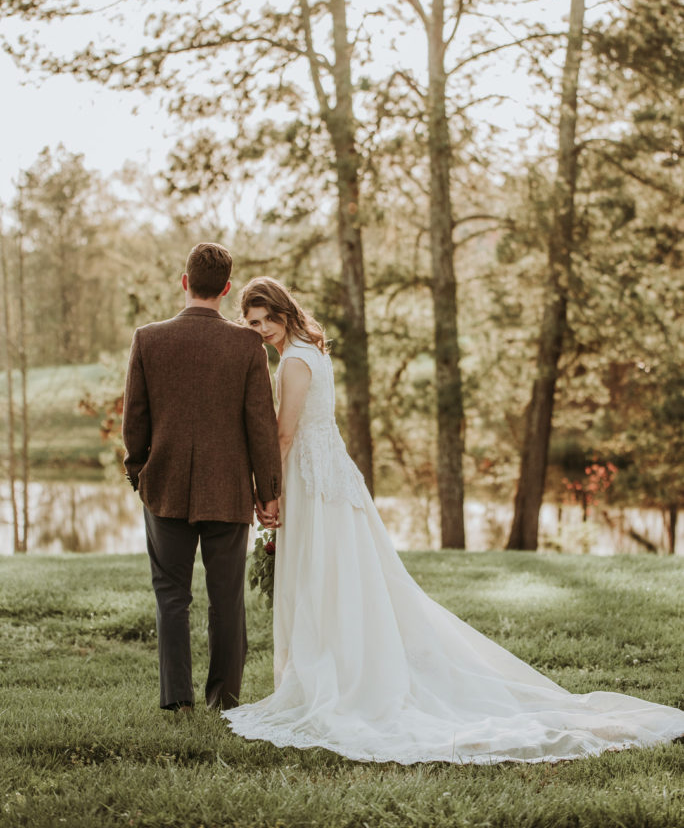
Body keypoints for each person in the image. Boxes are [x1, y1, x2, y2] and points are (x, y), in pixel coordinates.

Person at [223, 276, 684, 764]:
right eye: (249, 324)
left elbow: (285, 433)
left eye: (262, 321)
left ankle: (336, 677)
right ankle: (342, 664)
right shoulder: (313, 350)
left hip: (314, 481)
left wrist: (267, 492)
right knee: (340, 580)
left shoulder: (295, 360)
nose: (257, 332)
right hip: (331, 476)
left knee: (322, 579)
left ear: (280, 312)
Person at [122, 244, 281, 714]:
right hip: (229, 491)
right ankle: (225, 700)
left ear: (185, 281)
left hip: (164, 487)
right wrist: (268, 491)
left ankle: (176, 700)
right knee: (225, 599)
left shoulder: (148, 338)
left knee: (171, 595)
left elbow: (135, 420)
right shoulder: (247, 344)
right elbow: (261, 425)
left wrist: (138, 472)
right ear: (227, 289)